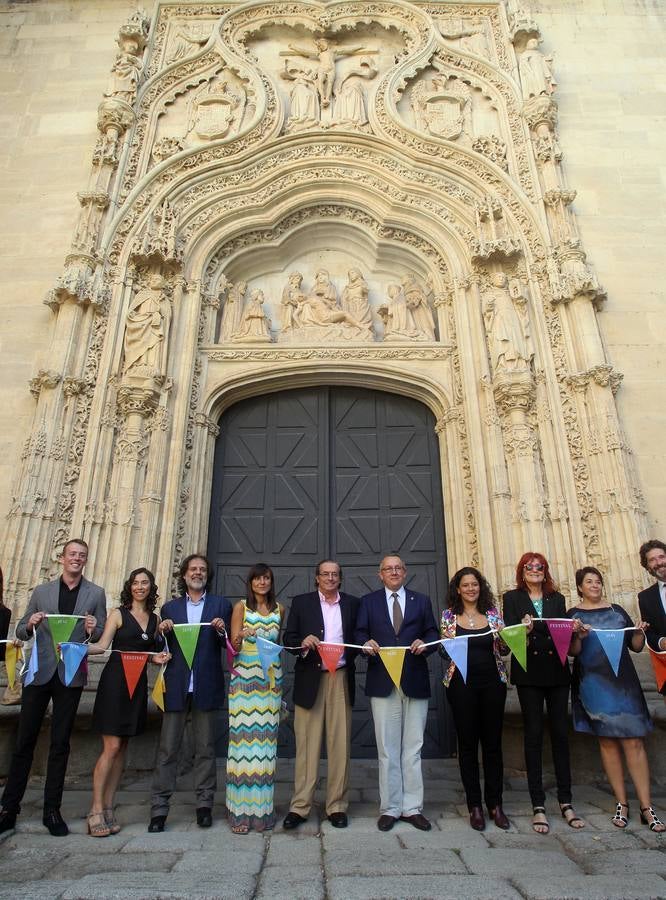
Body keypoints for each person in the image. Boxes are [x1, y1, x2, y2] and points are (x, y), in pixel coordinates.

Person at [0, 539, 106, 836]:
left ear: (86, 561)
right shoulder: (42, 591)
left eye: (82, 556)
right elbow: (21, 629)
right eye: (72, 554)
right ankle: (9, 808)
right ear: (62, 558)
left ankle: (52, 810)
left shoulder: (95, 593)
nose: (76, 559)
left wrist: (91, 628)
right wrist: (30, 622)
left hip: (69, 673)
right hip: (39, 672)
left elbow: (99, 632)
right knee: (25, 740)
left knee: (60, 743)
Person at [567, 566, 665, 832]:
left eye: (598, 581)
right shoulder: (573, 615)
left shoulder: (617, 611)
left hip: (623, 684)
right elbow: (572, 651)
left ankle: (647, 806)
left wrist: (639, 632)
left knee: (634, 742)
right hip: (593, 683)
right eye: (589, 582)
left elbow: (634, 647)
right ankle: (621, 803)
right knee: (608, 743)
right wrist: (577, 635)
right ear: (579, 587)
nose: (595, 586)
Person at [148, 553, 231, 833]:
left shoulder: (221, 605)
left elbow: (228, 645)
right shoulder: (169, 608)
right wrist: (161, 631)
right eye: (193, 569)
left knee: (205, 748)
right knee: (167, 748)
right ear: (183, 575)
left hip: (206, 684)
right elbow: (161, 645)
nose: (197, 573)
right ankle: (159, 809)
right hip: (177, 685)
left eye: (202, 569)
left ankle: (204, 805)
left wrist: (222, 631)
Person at [355, 554, 439, 832]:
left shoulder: (421, 601)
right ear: (380, 574)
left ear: (405, 572)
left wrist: (425, 643)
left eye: (398, 568)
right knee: (387, 749)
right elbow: (358, 634)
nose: (393, 572)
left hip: (414, 680)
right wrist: (365, 643)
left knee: (413, 748)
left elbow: (433, 633)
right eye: (388, 569)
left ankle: (412, 807)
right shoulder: (368, 602)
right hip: (383, 681)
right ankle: (390, 807)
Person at [85, 568, 170, 837]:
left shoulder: (155, 619)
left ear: (151, 587)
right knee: (111, 746)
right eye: (135, 582)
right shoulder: (118, 614)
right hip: (115, 684)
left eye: (145, 583)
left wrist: (157, 658)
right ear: (129, 587)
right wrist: (74, 646)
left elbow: (150, 653)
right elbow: (101, 645)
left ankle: (109, 807)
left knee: (123, 748)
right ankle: (95, 809)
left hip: (137, 686)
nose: (140, 587)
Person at [503, 552, 583, 834]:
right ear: (521, 571)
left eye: (540, 567)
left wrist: (570, 630)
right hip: (529, 672)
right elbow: (508, 635)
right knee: (533, 735)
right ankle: (538, 804)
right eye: (529, 566)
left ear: (545, 571)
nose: (535, 570)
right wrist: (524, 631)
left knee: (561, 734)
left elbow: (560, 633)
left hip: (557, 671)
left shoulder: (556, 599)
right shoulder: (512, 598)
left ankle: (565, 800)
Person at [282, 559, 360, 830]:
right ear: (316, 578)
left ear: (340, 578)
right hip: (310, 680)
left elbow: (359, 640)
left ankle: (336, 806)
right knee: (307, 746)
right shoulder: (301, 603)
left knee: (340, 746)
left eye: (335, 574)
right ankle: (300, 806)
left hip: (340, 678)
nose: (330, 578)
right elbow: (288, 640)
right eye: (325, 574)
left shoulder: (352, 604)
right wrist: (302, 643)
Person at [441, 567, 510, 832]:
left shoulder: (493, 615)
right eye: (465, 585)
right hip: (460, 685)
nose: (471, 589)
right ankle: (475, 806)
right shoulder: (448, 617)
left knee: (493, 744)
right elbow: (444, 654)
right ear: (457, 589)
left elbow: (503, 649)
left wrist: (514, 636)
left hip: (493, 682)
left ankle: (496, 804)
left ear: (480, 587)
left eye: (475, 584)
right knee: (468, 746)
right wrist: (443, 642)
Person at [226, 563, 284, 833]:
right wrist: (241, 635)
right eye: (258, 578)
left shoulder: (280, 610)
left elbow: (279, 646)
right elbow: (233, 645)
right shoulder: (241, 608)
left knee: (265, 748)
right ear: (250, 582)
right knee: (243, 745)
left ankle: (262, 810)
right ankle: (239, 811)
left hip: (269, 682)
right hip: (244, 682)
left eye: (267, 578)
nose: (262, 582)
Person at [638, 540, 666, 694]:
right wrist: (662, 642)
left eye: (661, 557)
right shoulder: (645, 597)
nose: (659, 563)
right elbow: (649, 633)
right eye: (652, 560)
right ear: (647, 566)